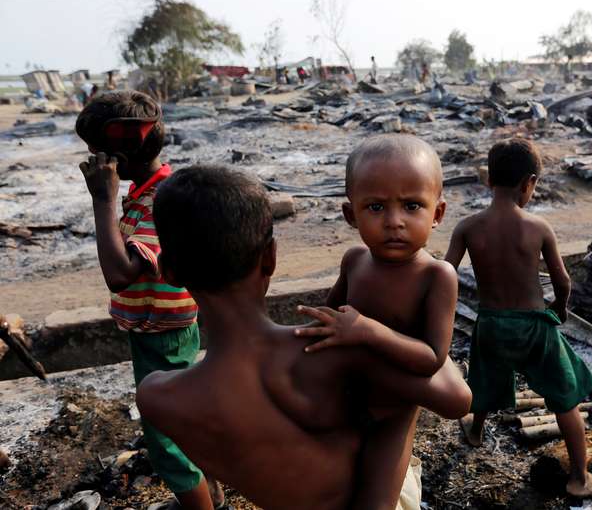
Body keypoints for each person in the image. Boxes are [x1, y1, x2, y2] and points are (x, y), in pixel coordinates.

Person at [137, 166, 472, 510]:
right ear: (271, 256)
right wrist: (392, 329)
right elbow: (456, 399)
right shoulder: (332, 353)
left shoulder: (159, 397)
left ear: (169, 272)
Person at [75, 91, 223, 509]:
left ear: (121, 153)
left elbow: (120, 275)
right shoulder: (146, 191)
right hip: (155, 329)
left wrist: (102, 200)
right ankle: (211, 497)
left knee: (166, 441)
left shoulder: (161, 201)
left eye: (97, 151)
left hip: (166, 336)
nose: (93, 160)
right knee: (185, 421)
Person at [294, 134, 458, 506]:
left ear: (438, 214)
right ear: (351, 214)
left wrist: (368, 331)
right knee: (332, 488)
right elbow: (332, 318)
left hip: (393, 412)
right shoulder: (355, 261)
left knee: (377, 502)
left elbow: (432, 356)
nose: (395, 222)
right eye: (376, 207)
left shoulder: (437, 276)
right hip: (345, 399)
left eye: (412, 205)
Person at [444, 138, 592, 498]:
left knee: (484, 381)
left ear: (488, 180)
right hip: (534, 326)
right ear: (528, 183)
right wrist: (560, 308)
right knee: (565, 397)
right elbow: (563, 281)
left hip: (490, 324)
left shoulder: (467, 227)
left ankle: (475, 430)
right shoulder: (538, 227)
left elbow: (444, 274)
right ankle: (579, 477)